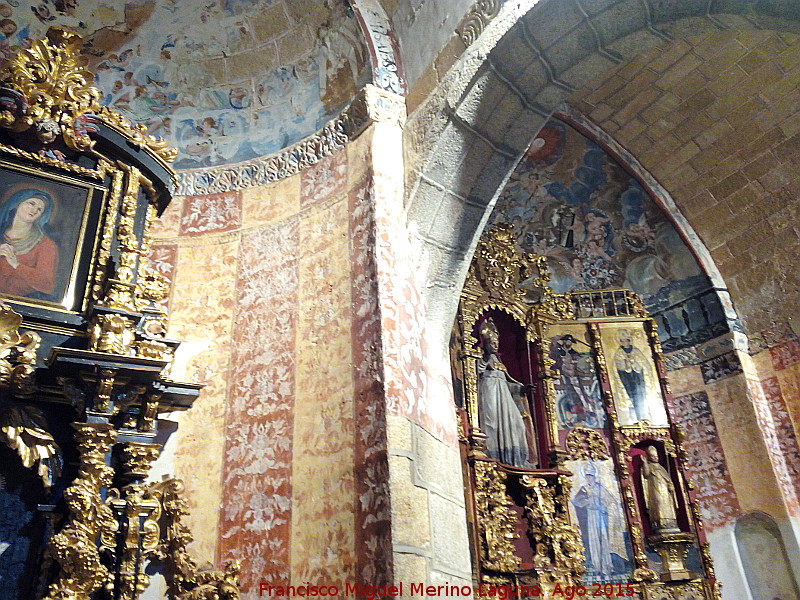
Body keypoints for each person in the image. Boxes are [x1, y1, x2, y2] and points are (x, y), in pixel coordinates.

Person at [477, 318, 532, 468]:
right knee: (492, 424)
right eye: (492, 343)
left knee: (517, 424)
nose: (495, 346)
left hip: (505, 398)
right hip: (490, 393)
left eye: (496, 343)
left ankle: (516, 459)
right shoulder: (481, 356)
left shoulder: (499, 360)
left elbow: (507, 382)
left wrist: (521, 389)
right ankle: (494, 457)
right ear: (486, 343)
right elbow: (476, 372)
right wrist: (486, 356)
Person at [0, 189, 58, 299]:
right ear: (17, 204)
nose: (34, 210)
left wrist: (17, 265)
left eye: (40, 209)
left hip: (21, 305)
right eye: (31, 203)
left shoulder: (46, 245)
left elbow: (47, 284)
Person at [572, 463, 617, 578]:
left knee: (604, 539)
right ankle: (598, 567)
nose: (589, 478)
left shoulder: (600, 487)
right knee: (594, 541)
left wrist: (604, 506)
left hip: (601, 516)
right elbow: (576, 501)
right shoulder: (584, 489)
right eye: (587, 476)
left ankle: (607, 566)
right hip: (590, 517)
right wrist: (588, 501)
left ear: (594, 477)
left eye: (591, 476)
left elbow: (610, 500)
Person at [613, 329, 651, 423]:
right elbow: (616, 367)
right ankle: (634, 418)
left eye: (626, 340)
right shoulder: (619, 353)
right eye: (622, 341)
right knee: (631, 396)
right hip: (626, 378)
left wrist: (637, 365)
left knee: (641, 393)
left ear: (629, 340)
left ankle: (645, 415)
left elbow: (645, 364)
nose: (624, 342)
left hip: (638, 376)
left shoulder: (636, 351)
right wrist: (625, 363)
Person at [640, 445, 679, 532]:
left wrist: (670, 485)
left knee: (667, 504)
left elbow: (668, 479)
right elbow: (645, 475)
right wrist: (645, 463)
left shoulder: (661, 467)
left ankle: (670, 522)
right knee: (658, 503)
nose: (655, 458)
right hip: (655, 489)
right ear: (649, 457)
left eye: (656, 456)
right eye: (653, 456)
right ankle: (659, 523)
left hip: (665, 490)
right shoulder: (648, 466)